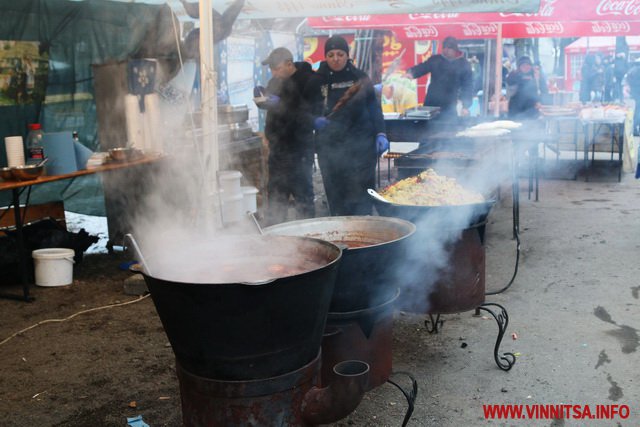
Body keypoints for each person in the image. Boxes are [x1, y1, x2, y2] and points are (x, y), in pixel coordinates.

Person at [303, 35, 388, 216]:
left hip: (361, 148)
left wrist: (381, 133)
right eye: (331, 54)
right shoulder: (316, 81)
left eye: (340, 54)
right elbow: (302, 111)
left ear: (347, 55)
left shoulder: (360, 78)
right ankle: (342, 233)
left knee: (361, 197)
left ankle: (365, 232)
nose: (336, 59)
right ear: (325, 56)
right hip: (330, 148)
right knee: (337, 197)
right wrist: (313, 121)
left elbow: (374, 108)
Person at [254, 47, 315, 225]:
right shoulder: (274, 82)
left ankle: (307, 237)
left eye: (276, 68)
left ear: (289, 64)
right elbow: (269, 105)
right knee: (276, 197)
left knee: (302, 197)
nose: (273, 72)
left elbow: (307, 114)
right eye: (271, 68)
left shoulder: (307, 81)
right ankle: (277, 237)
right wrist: (261, 99)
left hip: (299, 150)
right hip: (277, 150)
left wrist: (282, 104)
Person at [403, 36, 473, 120]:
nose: (446, 51)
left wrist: (465, 105)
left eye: (449, 48)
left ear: (455, 50)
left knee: (448, 127)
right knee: (427, 128)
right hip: (431, 102)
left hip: (450, 104)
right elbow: (423, 67)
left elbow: (468, 86)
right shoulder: (435, 60)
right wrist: (411, 73)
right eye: (444, 48)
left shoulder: (463, 64)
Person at [505, 56, 544, 120]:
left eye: (528, 65)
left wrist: (540, 101)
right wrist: (515, 74)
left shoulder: (536, 75)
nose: (526, 67)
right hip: (515, 109)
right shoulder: (515, 75)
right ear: (519, 67)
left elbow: (543, 90)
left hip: (531, 109)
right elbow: (509, 82)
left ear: (531, 66)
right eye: (523, 65)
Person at [624, 58, 640, 135]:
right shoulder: (638, 70)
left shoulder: (631, 70)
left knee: (635, 110)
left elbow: (627, 80)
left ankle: (633, 128)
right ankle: (635, 129)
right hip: (638, 92)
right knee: (638, 111)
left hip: (634, 93)